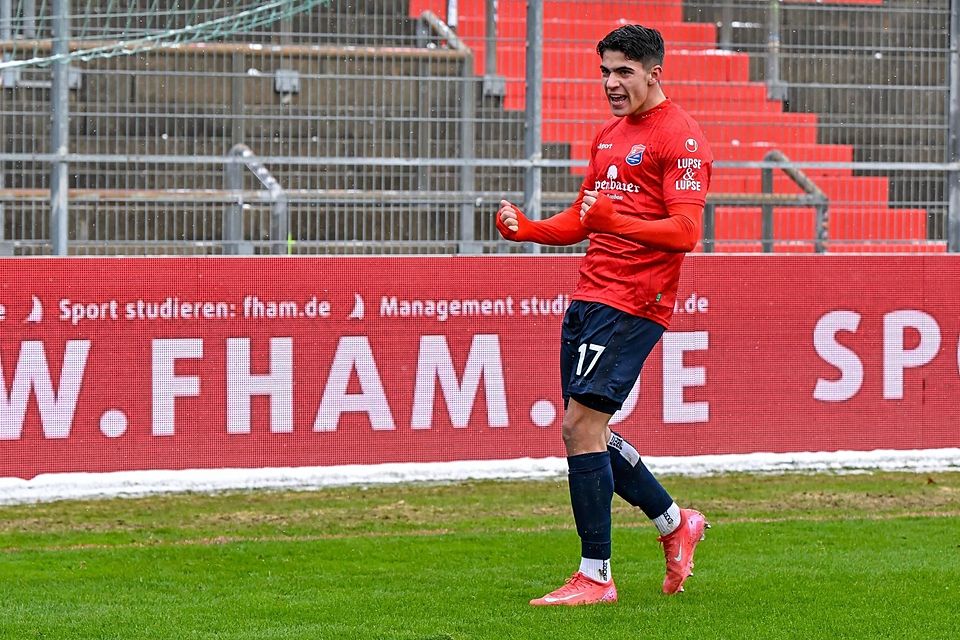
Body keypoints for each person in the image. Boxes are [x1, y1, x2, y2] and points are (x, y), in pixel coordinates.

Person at [495, 24, 713, 606]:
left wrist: (620, 224)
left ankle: (596, 576)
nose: (612, 84)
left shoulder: (681, 137)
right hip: (591, 294)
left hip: (637, 300)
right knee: (588, 430)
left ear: (653, 73)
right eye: (605, 73)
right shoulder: (608, 135)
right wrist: (531, 231)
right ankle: (675, 523)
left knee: (579, 429)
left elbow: (686, 231)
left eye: (624, 73)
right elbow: (585, 217)